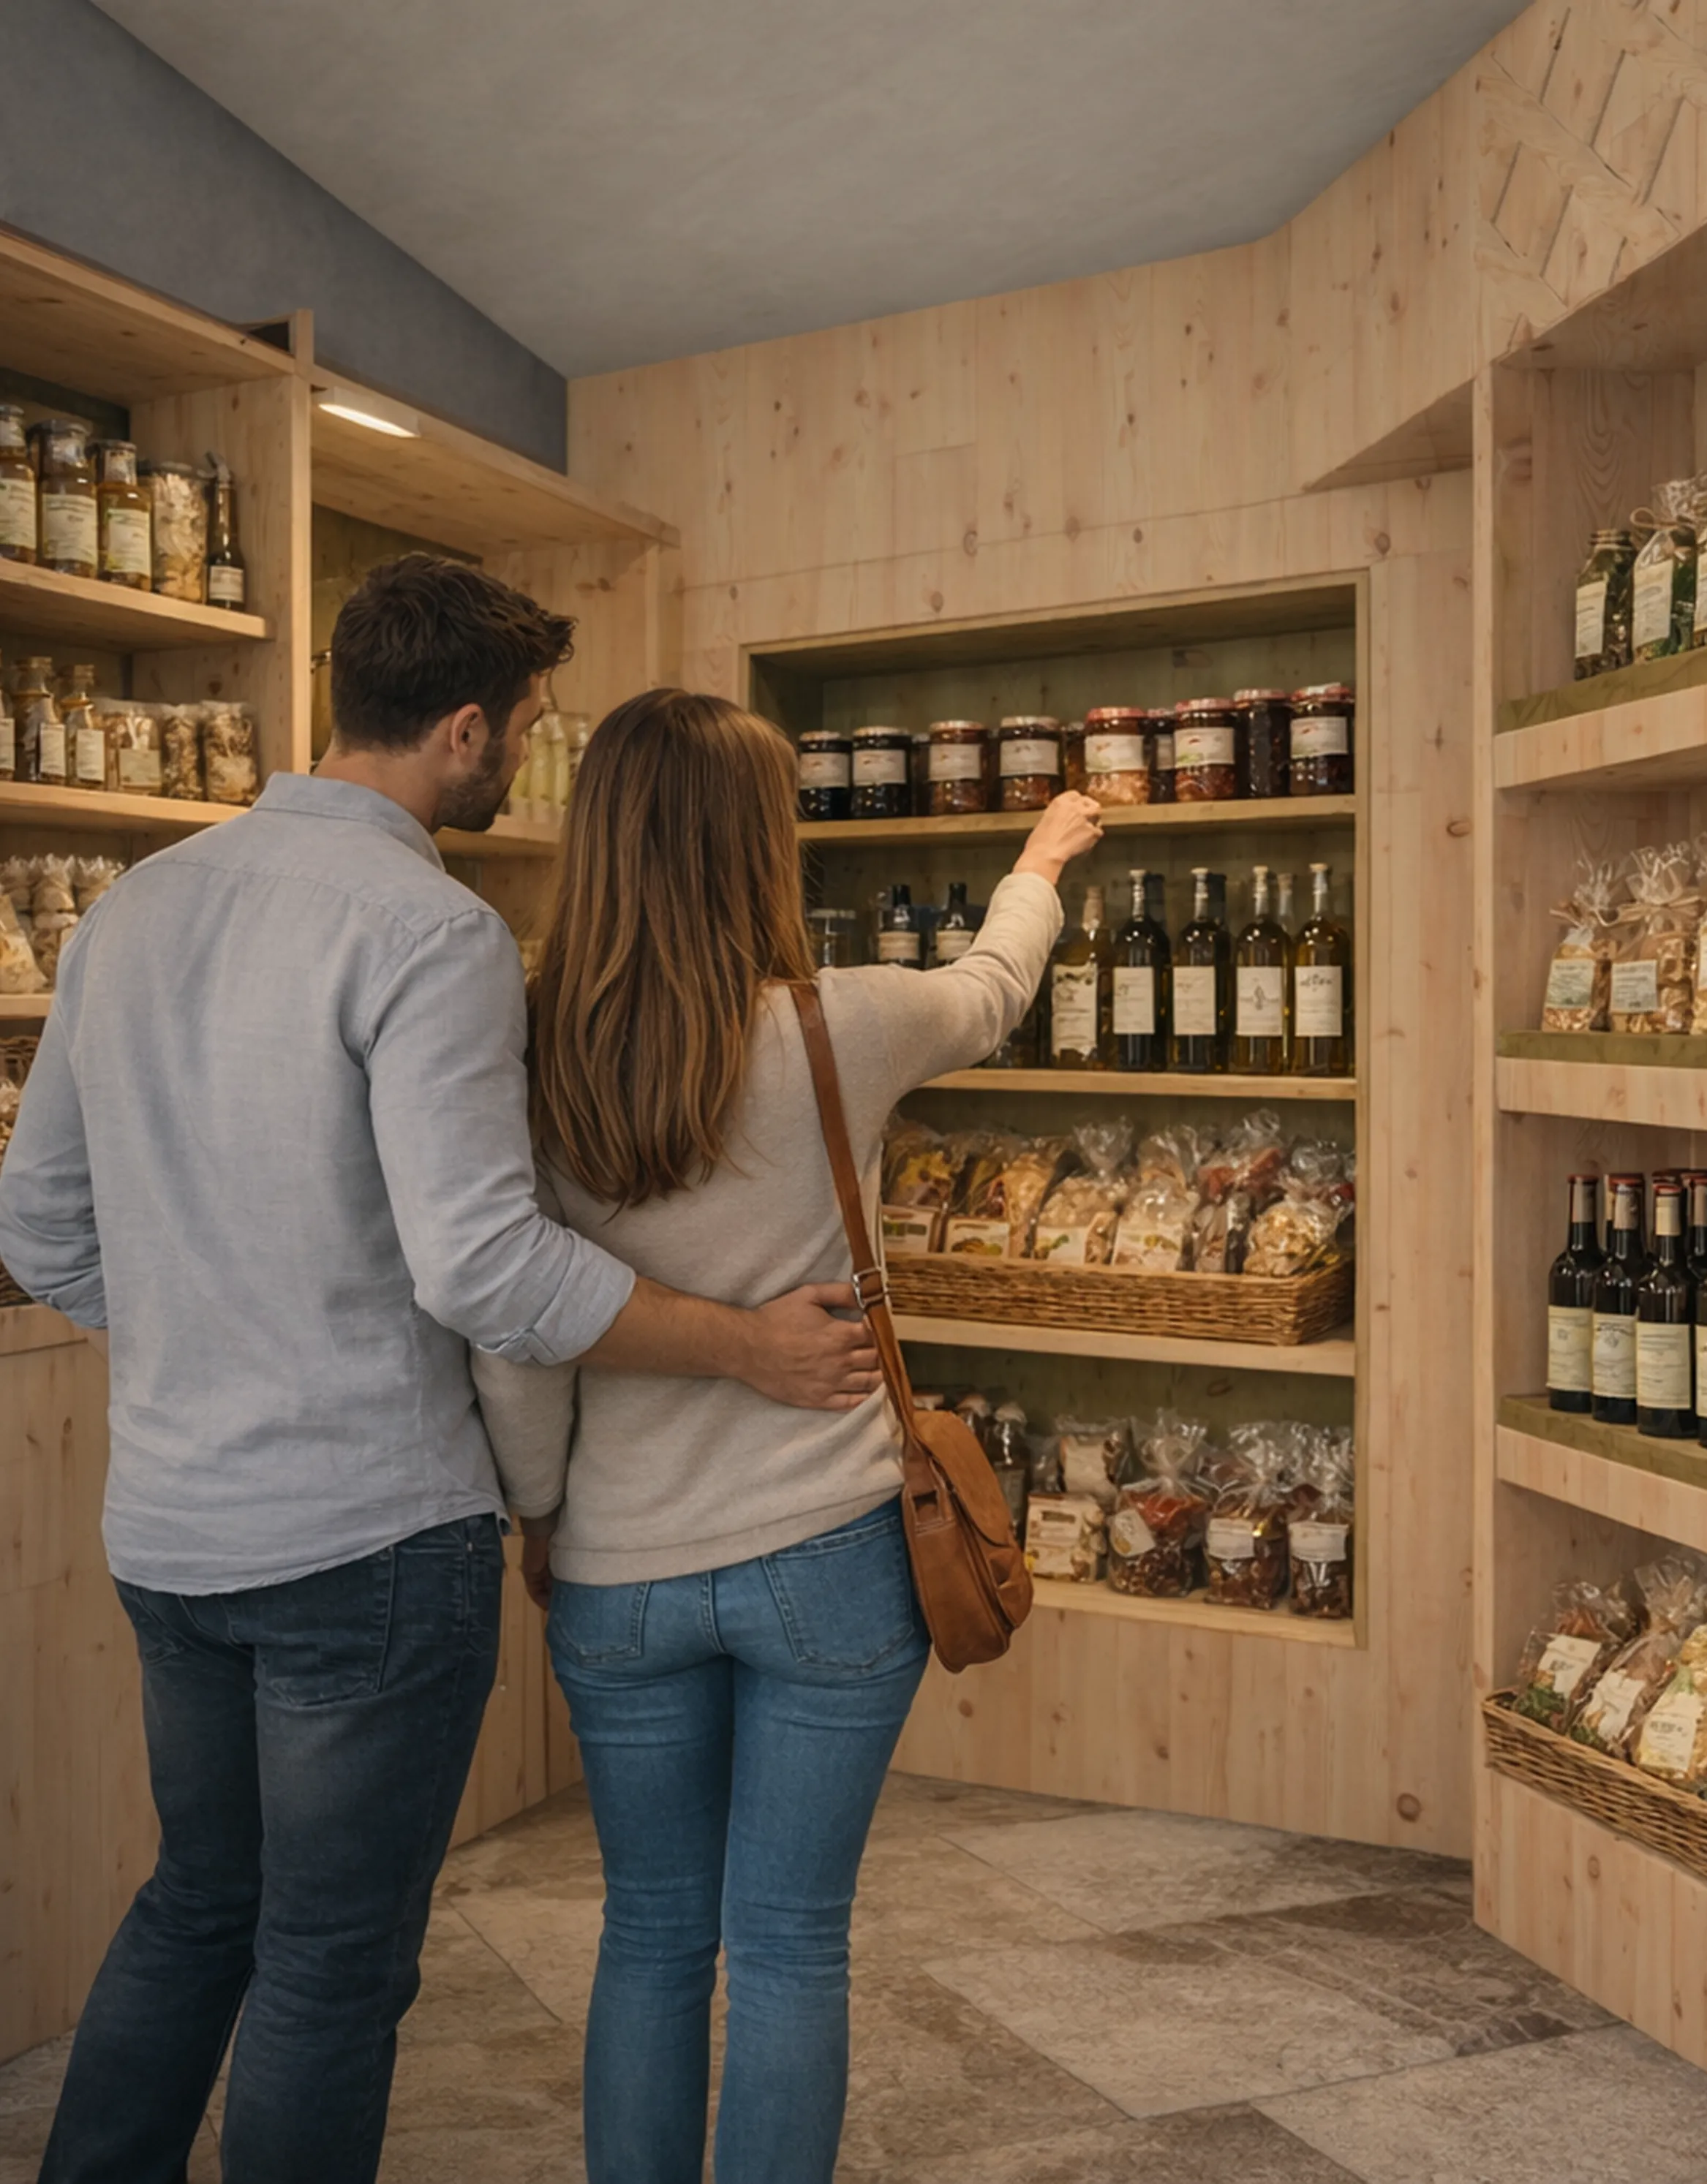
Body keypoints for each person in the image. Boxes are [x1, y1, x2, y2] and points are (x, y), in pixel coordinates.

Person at [0, 561, 878, 2184]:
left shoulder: (133, 904)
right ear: (467, 728)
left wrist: (215, 1326)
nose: (524, 756)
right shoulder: (429, 926)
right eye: (526, 727)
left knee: (200, 1901)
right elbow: (487, 1268)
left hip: (173, 1527)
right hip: (363, 1540)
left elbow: (40, 1220)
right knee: (330, 1962)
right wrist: (743, 1340)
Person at [472, 686, 1101, 2184]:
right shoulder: (842, 1022)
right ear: (761, 844)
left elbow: (518, 1330)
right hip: (829, 1557)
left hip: (616, 1568)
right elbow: (995, 982)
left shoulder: (528, 1048)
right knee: (789, 1945)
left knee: (646, 1937)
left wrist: (544, 1514)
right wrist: (1041, 855)